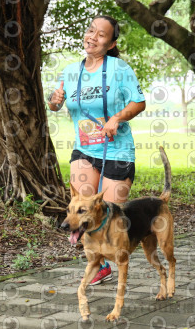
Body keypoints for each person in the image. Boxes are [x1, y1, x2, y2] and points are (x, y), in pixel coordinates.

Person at [48, 15, 146, 284]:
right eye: (91, 30)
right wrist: (54, 101)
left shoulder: (120, 69)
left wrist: (117, 118)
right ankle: (98, 264)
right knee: (81, 206)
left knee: (109, 214)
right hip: (84, 150)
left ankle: (112, 256)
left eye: (101, 35)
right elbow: (55, 104)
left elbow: (139, 102)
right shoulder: (70, 71)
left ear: (111, 43)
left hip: (117, 152)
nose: (93, 36)